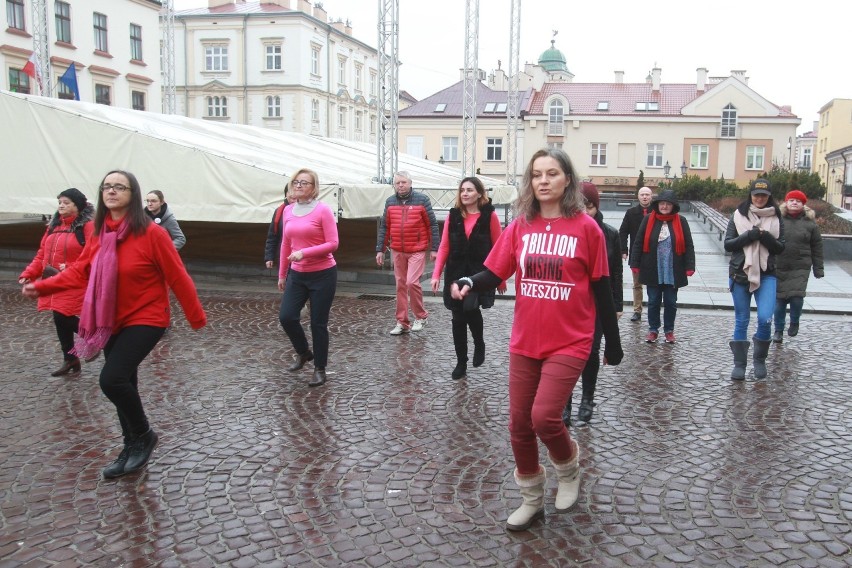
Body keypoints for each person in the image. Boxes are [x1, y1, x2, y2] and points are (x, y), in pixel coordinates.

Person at [451, 148, 623, 531]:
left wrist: (612, 342)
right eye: (536, 174)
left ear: (567, 181)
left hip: (571, 340)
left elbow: (602, 287)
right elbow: (494, 272)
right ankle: (531, 499)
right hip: (526, 339)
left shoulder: (585, 228)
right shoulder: (520, 227)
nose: (543, 181)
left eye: (552, 173)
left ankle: (568, 469)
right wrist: (468, 282)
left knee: (544, 417)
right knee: (518, 424)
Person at [22, 170, 207, 479]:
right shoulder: (99, 233)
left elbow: (177, 275)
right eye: (107, 187)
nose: (112, 191)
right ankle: (130, 445)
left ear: (132, 195)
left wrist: (196, 317)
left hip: (147, 317)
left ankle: (145, 435)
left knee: (112, 380)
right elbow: (81, 271)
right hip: (110, 319)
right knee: (126, 384)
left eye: (119, 187)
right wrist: (43, 286)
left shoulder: (152, 234)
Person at [430, 177, 505, 380]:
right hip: (455, 272)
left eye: (470, 190)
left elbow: (499, 247)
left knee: (470, 309)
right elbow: (444, 245)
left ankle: (479, 343)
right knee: (457, 317)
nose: (465, 193)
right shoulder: (453, 216)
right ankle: (461, 362)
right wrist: (436, 274)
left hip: (478, 274)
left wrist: (501, 278)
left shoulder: (490, 216)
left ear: (479, 193)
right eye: (462, 190)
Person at [18, 188, 95, 376]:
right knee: (59, 320)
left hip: (74, 280)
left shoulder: (88, 226)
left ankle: (92, 337)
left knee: (63, 316)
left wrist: (69, 267)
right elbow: (42, 254)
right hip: (52, 280)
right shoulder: (53, 225)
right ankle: (71, 359)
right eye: (60, 201)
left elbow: (92, 255)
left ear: (78, 206)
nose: (61, 205)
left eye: (66, 202)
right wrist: (29, 273)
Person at [563, 182, 622, 425]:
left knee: (591, 351)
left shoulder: (609, 234)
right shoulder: (565, 230)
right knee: (564, 353)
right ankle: (563, 402)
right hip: (569, 301)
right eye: (579, 206)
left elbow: (616, 272)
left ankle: (587, 398)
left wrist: (617, 305)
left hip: (598, 303)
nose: (584, 211)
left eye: (588, 206)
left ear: (595, 206)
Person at [277, 168, 339, 388]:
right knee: (287, 317)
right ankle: (303, 352)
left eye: (305, 183)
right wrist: (282, 272)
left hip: (323, 274)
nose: (299, 186)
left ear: (314, 188)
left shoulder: (323, 210)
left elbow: (333, 244)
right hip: (297, 274)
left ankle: (320, 368)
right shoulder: (288, 211)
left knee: (317, 323)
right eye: (296, 182)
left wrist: (305, 252)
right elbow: (286, 243)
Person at [724, 178, 785, 380]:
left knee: (765, 317)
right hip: (740, 273)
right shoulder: (738, 215)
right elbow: (729, 244)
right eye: (756, 195)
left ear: (769, 198)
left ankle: (759, 360)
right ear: (750, 195)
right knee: (742, 319)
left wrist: (765, 237)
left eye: (764, 196)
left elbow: (780, 247)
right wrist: (749, 236)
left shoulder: (776, 217)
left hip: (766, 273)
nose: (759, 198)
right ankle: (739, 364)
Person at [376, 171, 440, 335]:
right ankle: (402, 322)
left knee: (412, 282)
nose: (401, 185)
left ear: (410, 183)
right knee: (400, 286)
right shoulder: (390, 202)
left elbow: (432, 225)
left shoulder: (422, 199)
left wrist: (434, 248)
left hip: (417, 249)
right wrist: (380, 250)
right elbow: (385, 227)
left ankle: (421, 316)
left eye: (403, 182)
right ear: (394, 185)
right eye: (397, 183)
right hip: (398, 250)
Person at [629, 190, 695, 344]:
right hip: (653, 268)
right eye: (662, 203)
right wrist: (635, 263)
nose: (664, 206)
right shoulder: (648, 220)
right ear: (657, 205)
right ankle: (653, 329)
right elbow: (638, 242)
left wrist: (689, 265)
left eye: (668, 204)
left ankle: (669, 330)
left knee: (671, 302)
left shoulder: (682, 221)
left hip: (672, 268)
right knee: (653, 301)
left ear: (673, 206)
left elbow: (689, 245)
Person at [773, 189, 823, 342]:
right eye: (791, 200)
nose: (794, 203)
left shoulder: (810, 225)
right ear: (785, 203)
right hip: (779, 265)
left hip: (800, 267)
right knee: (779, 301)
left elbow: (817, 247)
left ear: (803, 205)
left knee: (796, 298)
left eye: (798, 201)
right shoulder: (777, 220)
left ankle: (794, 321)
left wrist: (818, 268)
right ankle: (778, 330)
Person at [619, 186, 653, 322]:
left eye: (647, 194)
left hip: (653, 253)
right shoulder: (631, 212)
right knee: (637, 284)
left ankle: (653, 308)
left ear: (651, 197)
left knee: (653, 284)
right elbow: (623, 232)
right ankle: (637, 310)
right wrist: (623, 250)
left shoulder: (657, 212)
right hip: (636, 253)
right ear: (638, 197)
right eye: (642, 194)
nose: (645, 197)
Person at [264, 183, 296, 269]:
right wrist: (269, 257)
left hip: (302, 257)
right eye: (290, 191)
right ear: (286, 194)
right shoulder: (279, 211)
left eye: (295, 191)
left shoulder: (308, 211)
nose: (293, 194)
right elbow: (272, 236)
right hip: (284, 257)